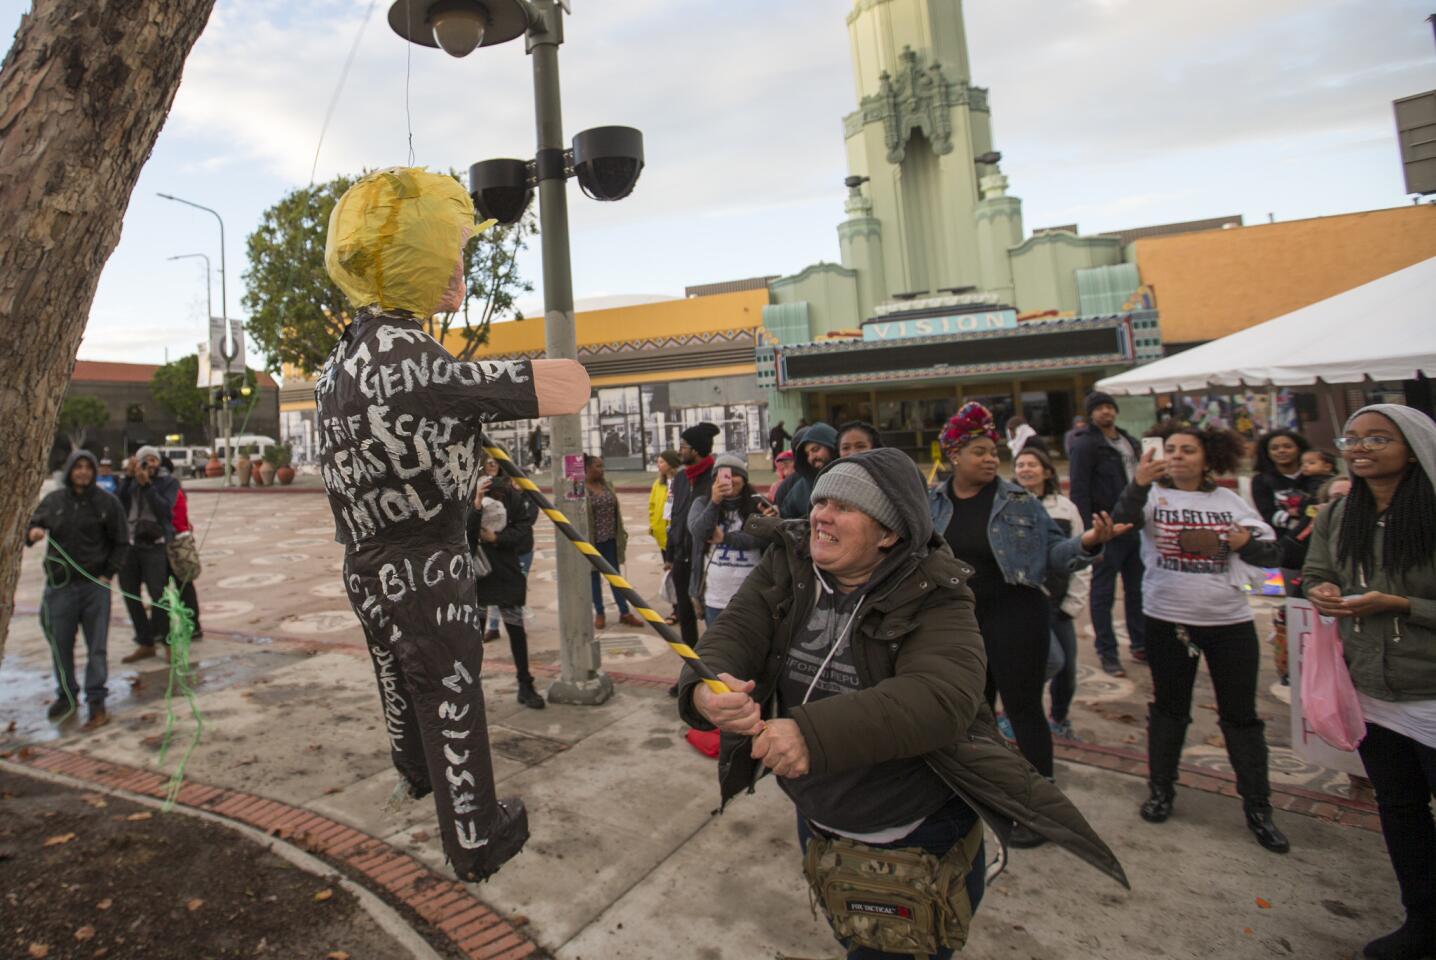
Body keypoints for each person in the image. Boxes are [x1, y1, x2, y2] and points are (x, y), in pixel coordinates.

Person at [679, 449, 1128, 960]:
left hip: (912, 833)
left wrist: (809, 733)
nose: (820, 514)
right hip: (819, 814)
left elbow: (941, 696)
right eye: (821, 499)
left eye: (843, 507)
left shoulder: (937, 592)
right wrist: (705, 687)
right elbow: (735, 629)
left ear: (889, 533)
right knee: (848, 932)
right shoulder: (791, 563)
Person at [316, 167, 590, 882]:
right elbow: (554, 386)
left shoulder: (333, 365)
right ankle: (475, 833)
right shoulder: (412, 356)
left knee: (395, 675)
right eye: (449, 253)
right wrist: (552, 381)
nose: (458, 270)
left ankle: (415, 772)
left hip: (361, 558)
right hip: (424, 558)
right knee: (450, 687)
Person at [929, 403, 1118, 847]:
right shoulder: (933, 502)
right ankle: (991, 795)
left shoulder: (1019, 500)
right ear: (954, 455)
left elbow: (1054, 554)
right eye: (979, 451)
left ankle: (1040, 812)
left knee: (1024, 712)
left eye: (994, 450)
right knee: (975, 716)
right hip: (962, 624)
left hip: (1017, 618)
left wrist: (1087, 543)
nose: (991, 458)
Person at [1111, 423, 1290, 854]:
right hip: (1167, 621)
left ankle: (1258, 807)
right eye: (1170, 449)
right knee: (1169, 708)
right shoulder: (1152, 495)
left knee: (1240, 715)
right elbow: (1121, 520)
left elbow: (1272, 555)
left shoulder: (1230, 501)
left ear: (1208, 457)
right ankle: (1161, 791)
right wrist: (1139, 483)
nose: (1177, 456)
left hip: (1230, 623)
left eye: (1188, 450)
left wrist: (1245, 541)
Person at [1304, 404, 1436, 960]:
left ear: (1414, 445)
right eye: (1352, 438)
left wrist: (1401, 604)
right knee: (1401, 808)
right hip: (1370, 691)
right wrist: (1323, 593)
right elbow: (1315, 572)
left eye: (1378, 438)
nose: (1359, 447)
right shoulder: (1338, 515)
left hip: (1430, 689)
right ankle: (1423, 920)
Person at [25, 450, 128, 730]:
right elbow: (33, 523)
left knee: (96, 647)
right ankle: (67, 695)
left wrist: (108, 574)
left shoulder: (107, 503)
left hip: (95, 587)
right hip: (60, 588)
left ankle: (96, 700)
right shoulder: (55, 501)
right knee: (60, 644)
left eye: (87, 467)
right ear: (69, 470)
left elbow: (121, 541)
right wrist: (33, 532)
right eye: (77, 467)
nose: (82, 472)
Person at [1013, 446, 1090, 741]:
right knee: (1045, 661)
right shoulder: (1007, 505)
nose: (1025, 469)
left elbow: (1081, 558)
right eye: (1020, 464)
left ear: (1047, 471)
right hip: (1024, 606)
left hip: (1058, 604)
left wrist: (1074, 602)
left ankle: (1059, 717)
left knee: (1066, 667)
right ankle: (1017, 710)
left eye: (1032, 464)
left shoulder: (1065, 509)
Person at [1068, 391, 1147, 676]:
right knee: (1103, 592)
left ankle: (1140, 643)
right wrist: (1088, 531)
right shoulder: (1086, 445)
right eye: (1099, 408)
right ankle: (1107, 652)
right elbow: (1079, 489)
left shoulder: (1129, 441)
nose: (1105, 412)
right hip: (1104, 527)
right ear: (1090, 413)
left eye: (1108, 407)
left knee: (1137, 589)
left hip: (1134, 526)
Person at [467, 472, 545, 710]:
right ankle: (470, 688)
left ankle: (525, 682)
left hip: (506, 572)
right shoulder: (468, 492)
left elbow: (523, 528)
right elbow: (465, 534)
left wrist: (497, 537)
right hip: (478, 576)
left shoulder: (510, 494)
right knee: (473, 635)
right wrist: (477, 504)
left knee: (515, 629)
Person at [115, 445, 180, 663]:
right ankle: (145, 642)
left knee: (158, 595)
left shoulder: (168, 482)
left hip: (155, 544)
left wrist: (148, 485)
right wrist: (128, 477)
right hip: (129, 544)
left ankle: (169, 642)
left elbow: (165, 510)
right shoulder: (130, 481)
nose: (150, 464)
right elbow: (118, 505)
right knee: (131, 594)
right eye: (145, 460)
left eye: (153, 460)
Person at [686, 452, 766, 626]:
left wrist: (726, 538)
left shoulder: (758, 504)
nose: (730, 480)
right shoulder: (702, 503)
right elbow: (700, 532)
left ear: (744, 479)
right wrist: (715, 502)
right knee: (719, 651)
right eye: (724, 475)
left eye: (735, 475)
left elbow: (762, 538)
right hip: (715, 598)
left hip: (752, 597)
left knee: (752, 650)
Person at [666, 422, 721, 664]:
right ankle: (692, 671)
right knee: (686, 619)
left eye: (684, 446)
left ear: (696, 450)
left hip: (706, 559)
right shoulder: (679, 478)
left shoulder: (715, 477)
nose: (679, 450)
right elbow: (673, 515)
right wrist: (669, 553)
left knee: (713, 617)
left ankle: (716, 668)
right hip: (680, 558)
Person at [584, 455, 642, 629]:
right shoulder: (581, 489)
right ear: (587, 469)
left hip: (610, 540)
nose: (602, 470)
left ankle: (624, 612)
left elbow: (616, 513)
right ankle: (600, 613)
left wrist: (620, 536)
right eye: (598, 466)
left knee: (615, 577)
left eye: (602, 466)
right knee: (594, 578)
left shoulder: (607, 486)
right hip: (592, 542)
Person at [159, 455, 203, 641]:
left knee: (180, 585)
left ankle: (191, 624)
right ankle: (190, 624)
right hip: (177, 539)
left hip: (175, 541)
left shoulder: (169, 488)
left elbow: (173, 515)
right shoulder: (173, 487)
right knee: (182, 585)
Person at [1250, 429, 1319, 534]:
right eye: (1274, 448)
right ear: (1267, 453)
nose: (1281, 451)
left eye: (1288, 446)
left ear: (1299, 449)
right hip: (1284, 541)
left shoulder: (1316, 475)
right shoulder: (1260, 481)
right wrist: (1300, 527)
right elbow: (1268, 513)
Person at [780, 421, 838, 519]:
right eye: (807, 454)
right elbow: (785, 518)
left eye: (815, 449)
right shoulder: (800, 490)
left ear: (831, 446)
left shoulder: (857, 477)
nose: (811, 458)